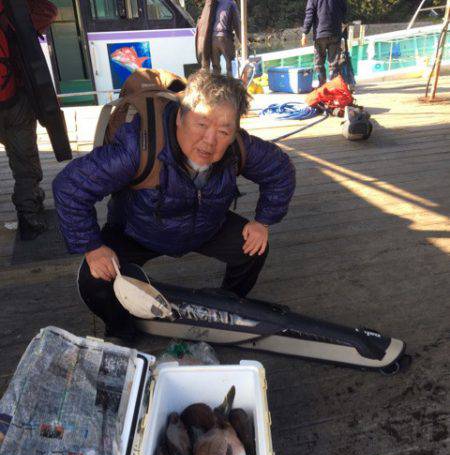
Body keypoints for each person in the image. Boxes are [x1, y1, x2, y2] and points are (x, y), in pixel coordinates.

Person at [53, 70, 296, 343]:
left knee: (253, 248)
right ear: (180, 116)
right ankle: (121, 328)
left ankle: (227, 304)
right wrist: (92, 246)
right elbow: (70, 187)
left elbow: (280, 169)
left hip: (206, 225)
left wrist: (263, 221)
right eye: (201, 124)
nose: (210, 141)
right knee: (94, 279)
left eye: (224, 130)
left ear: (234, 132)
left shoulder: (238, 146)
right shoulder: (138, 145)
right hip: (138, 230)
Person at [0, 0, 58, 240]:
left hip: (10, 97)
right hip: (13, 99)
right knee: (24, 161)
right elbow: (49, 11)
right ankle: (29, 215)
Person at [301, 0, 347, 87]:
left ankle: (323, 87)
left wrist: (304, 33)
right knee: (334, 64)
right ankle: (333, 88)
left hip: (320, 35)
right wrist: (343, 22)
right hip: (335, 34)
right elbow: (344, 10)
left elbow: (309, 14)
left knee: (319, 63)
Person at [210, 0, 241, 77]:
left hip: (212, 37)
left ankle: (216, 87)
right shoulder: (231, 3)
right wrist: (243, 42)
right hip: (224, 37)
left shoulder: (214, 2)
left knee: (215, 68)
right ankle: (231, 86)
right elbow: (237, 24)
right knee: (231, 66)